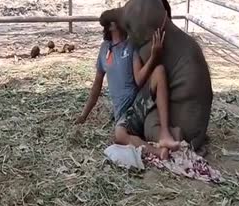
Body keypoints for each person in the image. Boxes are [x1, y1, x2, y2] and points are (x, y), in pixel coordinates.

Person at [75, 20, 179, 159]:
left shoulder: (131, 45)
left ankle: (165, 134)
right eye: (111, 20)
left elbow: (139, 79)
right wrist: (84, 115)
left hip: (136, 105)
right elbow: (96, 86)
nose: (114, 21)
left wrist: (154, 57)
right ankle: (157, 152)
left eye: (116, 18)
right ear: (108, 26)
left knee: (159, 70)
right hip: (123, 114)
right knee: (119, 134)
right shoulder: (104, 48)